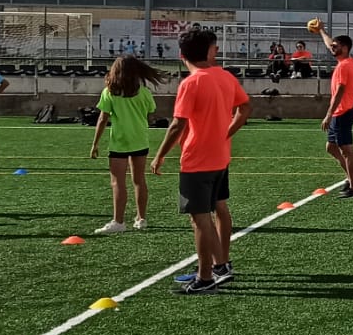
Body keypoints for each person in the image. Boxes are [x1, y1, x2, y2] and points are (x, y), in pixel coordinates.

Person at [150, 28, 250, 294]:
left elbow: (177, 125)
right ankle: (221, 264)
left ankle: (205, 277)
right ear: (209, 51)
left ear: (182, 55)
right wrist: (226, 132)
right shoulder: (226, 77)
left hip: (196, 160)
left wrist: (159, 156)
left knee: (199, 219)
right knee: (220, 208)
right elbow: (245, 108)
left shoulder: (190, 83)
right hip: (220, 157)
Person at [88, 54, 163, 233]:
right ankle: (141, 218)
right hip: (139, 140)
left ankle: (119, 221)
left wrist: (95, 144)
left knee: (117, 183)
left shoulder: (109, 93)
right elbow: (150, 112)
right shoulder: (144, 92)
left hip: (119, 143)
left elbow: (102, 119)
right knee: (139, 180)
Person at [311, 22, 353, 197]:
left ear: (345, 48)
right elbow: (328, 42)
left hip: (342, 113)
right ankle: (351, 178)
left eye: (336, 46)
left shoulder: (344, 66)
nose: (332, 48)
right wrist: (321, 31)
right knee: (331, 147)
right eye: (332, 46)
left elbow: (339, 92)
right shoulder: (347, 61)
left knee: (347, 150)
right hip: (340, 113)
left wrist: (328, 115)